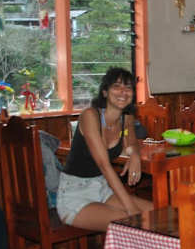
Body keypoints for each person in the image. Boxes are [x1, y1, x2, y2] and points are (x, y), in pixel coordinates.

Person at [57, 67, 152, 231]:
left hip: (102, 189)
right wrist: (132, 210)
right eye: (116, 86)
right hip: (75, 195)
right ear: (105, 92)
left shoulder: (126, 119)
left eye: (128, 87)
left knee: (155, 213)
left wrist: (135, 155)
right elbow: (104, 165)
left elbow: (131, 142)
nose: (123, 92)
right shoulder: (90, 116)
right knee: (132, 223)